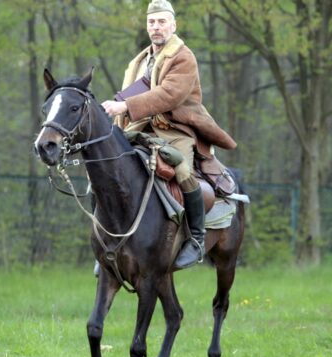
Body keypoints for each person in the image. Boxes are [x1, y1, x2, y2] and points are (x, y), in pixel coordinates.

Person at [100, 0, 236, 269]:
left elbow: (169, 94)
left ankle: (196, 237)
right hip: (140, 128)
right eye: (152, 22)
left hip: (176, 129)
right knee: (105, 165)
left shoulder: (183, 57)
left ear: (173, 25)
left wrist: (126, 106)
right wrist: (116, 122)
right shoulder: (139, 60)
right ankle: (109, 241)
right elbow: (131, 92)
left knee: (180, 167)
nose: (156, 27)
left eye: (162, 22)